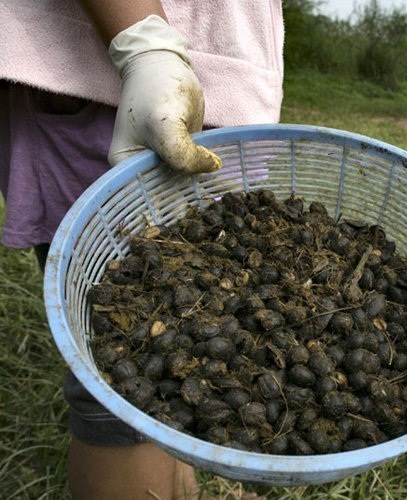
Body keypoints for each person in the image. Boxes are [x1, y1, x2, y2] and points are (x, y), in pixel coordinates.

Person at [0, 0, 284, 497]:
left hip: (225, 96)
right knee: (118, 387)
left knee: (187, 374)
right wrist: (144, 45)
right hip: (104, 76)